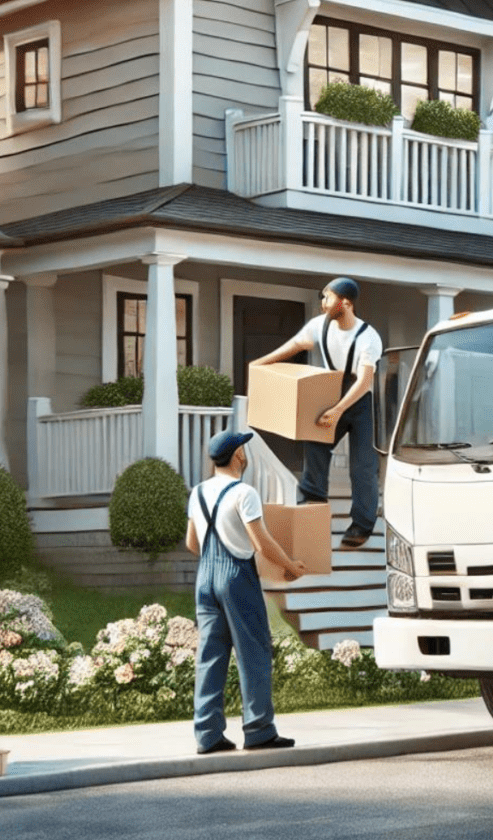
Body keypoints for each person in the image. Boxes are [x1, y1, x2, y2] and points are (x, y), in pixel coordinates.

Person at [186, 428, 306, 755]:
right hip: (237, 576)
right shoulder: (244, 493)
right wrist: (291, 566)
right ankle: (258, 729)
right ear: (239, 455)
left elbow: (191, 543)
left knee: (210, 656)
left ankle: (208, 735)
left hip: (205, 577)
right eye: (244, 449)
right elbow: (262, 544)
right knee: (253, 652)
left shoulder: (197, 492)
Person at [250, 277, 384, 548]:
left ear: (345, 303)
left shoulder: (368, 337)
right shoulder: (318, 326)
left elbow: (364, 381)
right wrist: (259, 363)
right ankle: (313, 500)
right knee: (315, 445)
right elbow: (293, 346)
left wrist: (337, 411)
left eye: (328, 298)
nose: (322, 303)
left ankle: (362, 524)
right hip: (331, 392)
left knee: (363, 466)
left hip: (359, 402)